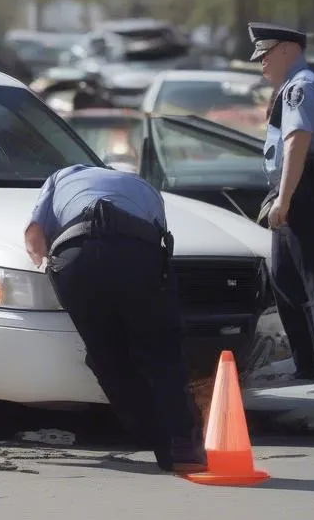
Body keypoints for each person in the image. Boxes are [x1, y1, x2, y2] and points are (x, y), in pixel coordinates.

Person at [24, 165, 206, 474]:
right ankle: (182, 446)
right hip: (136, 253)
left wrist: (48, 267)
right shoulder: (145, 187)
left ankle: (149, 434)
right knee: (161, 350)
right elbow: (160, 244)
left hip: (75, 254)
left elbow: (34, 239)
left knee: (106, 355)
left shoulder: (60, 176)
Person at [250, 21, 314, 382]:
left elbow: (297, 142)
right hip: (296, 189)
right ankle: (306, 363)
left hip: (305, 190)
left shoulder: (301, 88)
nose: (261, 62)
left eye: (265, 54)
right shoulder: (290, 87)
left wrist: (285, 197)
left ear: (285, 49)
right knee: (285, 279)